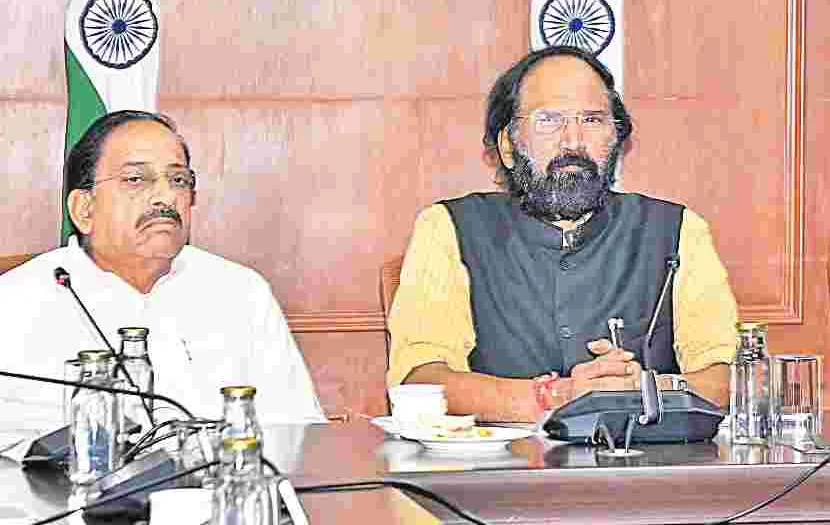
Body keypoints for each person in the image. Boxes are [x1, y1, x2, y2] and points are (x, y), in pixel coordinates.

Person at [387, 46, 739, 422]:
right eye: (549, 120)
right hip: (502, 459)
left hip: (647, 459)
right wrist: (558, 396)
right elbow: (420, 382)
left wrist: (642, 390)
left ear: (617, 140)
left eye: (592, 120)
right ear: (507, 146)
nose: (573, 142)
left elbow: (728, 379)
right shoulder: (449, 229)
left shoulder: (677, 231)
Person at [0, 111, 324, 437]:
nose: (165, 196)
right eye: (136, 180)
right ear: (84, 209)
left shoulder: (241, 292)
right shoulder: (14, 303)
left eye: (178, 180)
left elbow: (296, 434)